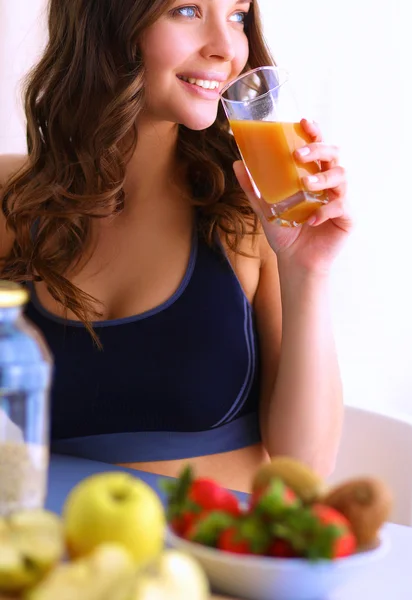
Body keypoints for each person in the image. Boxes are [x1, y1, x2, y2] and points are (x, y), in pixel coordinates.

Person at [0, 0, 352, 492]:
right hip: (57, 557)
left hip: (215, 558)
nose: (227, 47)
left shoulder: (258, 211)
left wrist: (306, 268)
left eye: (238, 15)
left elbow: (307, 466)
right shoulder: (13, 201)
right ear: (105, 20)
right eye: (187, 11)